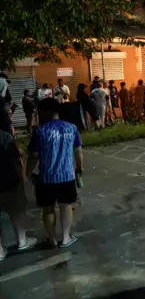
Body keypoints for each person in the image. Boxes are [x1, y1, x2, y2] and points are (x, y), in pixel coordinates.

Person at [26, 98, 84, 248]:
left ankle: (52, 240)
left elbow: (33, 155)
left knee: (48, 208)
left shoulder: (40, 131)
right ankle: (65, 238)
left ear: (46, 111)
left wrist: (28, 172)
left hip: (46, 178)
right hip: (67, 176)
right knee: (66, 206)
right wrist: (80, 167)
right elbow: (78, 151)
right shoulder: (72, 128)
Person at [0, 114, 38, 261]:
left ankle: (0, 251)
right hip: (8, 180)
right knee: (15, 211)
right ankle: (22, 240)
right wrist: (22, 181)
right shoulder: (5, 137)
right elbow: (16, 161)